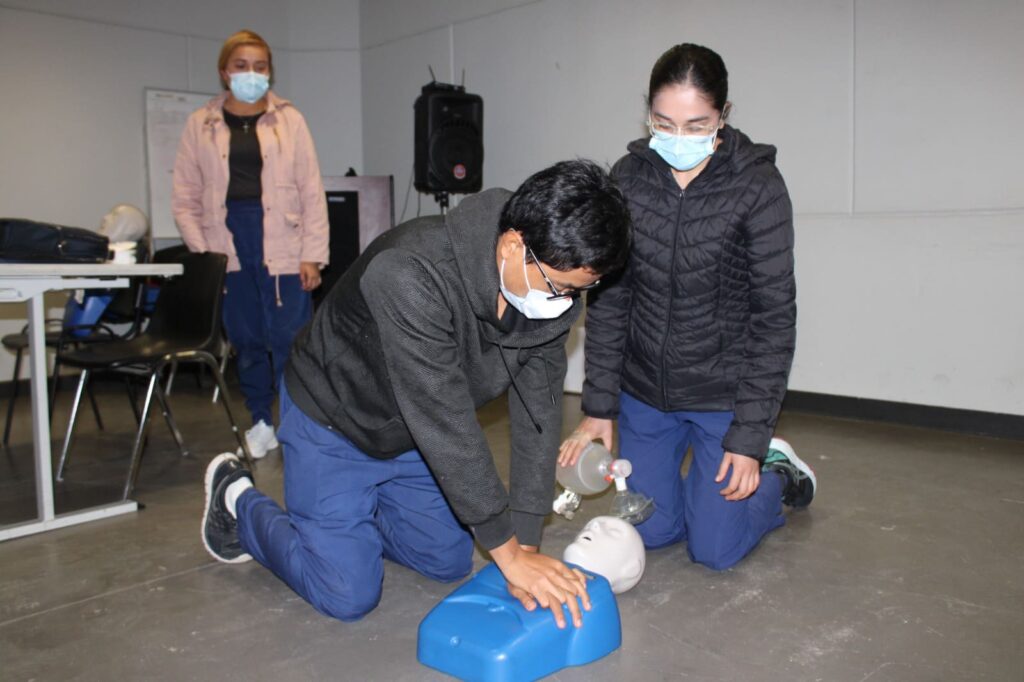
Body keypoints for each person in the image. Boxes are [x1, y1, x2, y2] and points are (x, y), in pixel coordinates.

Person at [201, 160, 632, 627]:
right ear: (513, 246)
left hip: (408, 435)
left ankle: (351, 524)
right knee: (346, 593)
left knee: (445, 561)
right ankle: (237, 500)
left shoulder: (551, 295)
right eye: (559, 286)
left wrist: (523, 545)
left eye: (579, 291)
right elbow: (445, 420)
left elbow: (538, 416)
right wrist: (506, 555)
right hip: (335, 418)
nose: (565, 302)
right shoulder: (410, 273)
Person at [559, 43, 815, 572]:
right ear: (648, 113)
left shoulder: (758, 186)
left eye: (696, 124)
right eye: (664, 122)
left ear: (723, 115)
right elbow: (609, 299)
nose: (679, 137)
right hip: (648, 392)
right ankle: (694, 492)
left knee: (714, 550)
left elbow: (774, 318)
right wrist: (599, 408)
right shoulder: (627, 179)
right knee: (651, 531)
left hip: (723, 394)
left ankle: (776, 471)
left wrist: (748, 436)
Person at [172, 29, 329, 459]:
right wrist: (206, 254)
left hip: (284, 239)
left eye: (260, 66)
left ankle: (298, 424)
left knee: (290, 341)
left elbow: (311, 189)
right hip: (228, 242)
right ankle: (261, 421)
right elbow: (184, 196)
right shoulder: (200, 123)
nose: (251, 74)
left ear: (269, 71)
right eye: (241, 65)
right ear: (225, 71)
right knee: (248, 339)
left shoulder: (289, 119)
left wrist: (313, 254)